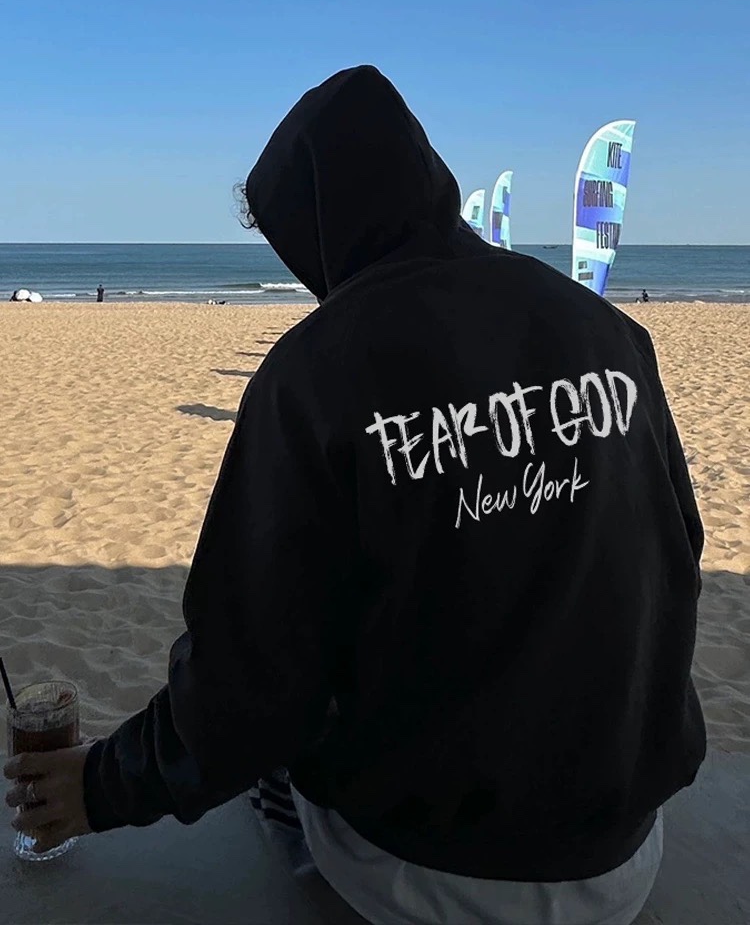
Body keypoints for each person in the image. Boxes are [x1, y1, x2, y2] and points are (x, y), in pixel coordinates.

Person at [4, 66, 705, 925]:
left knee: (276, 755)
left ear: (314, 223)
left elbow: (245, 685)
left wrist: (100, 787)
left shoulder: (315, 371)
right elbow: (681, 552)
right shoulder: (609, 332)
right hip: (625, 847)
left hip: (435, 874)